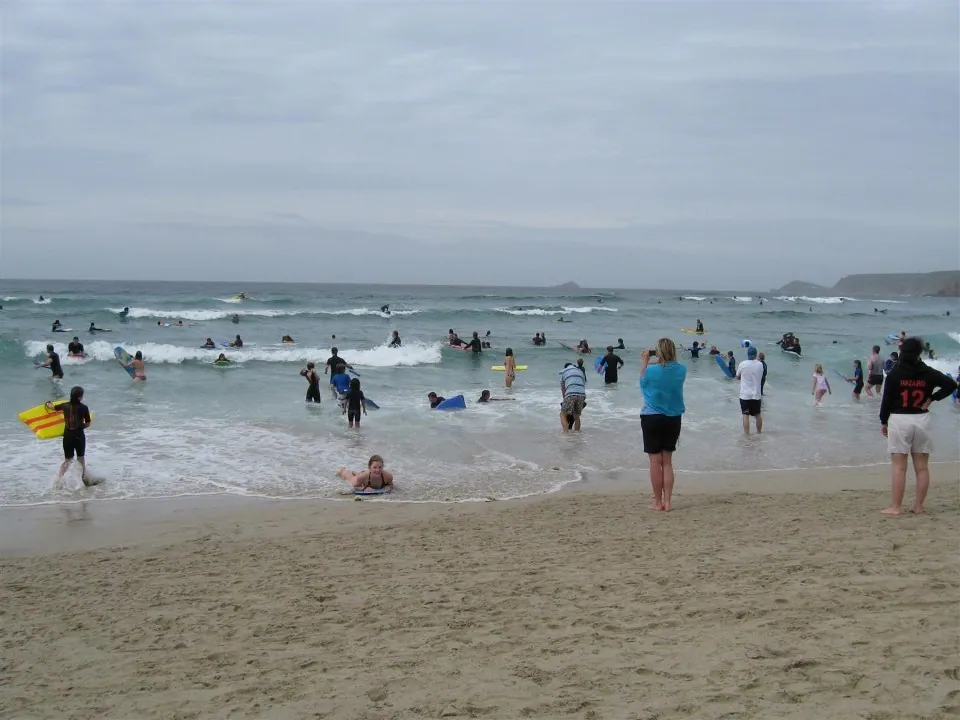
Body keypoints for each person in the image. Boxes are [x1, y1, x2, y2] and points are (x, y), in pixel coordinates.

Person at [879, 337, 958, 515]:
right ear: (919, 353)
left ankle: (896, 507)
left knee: (899, 467)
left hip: (899, 420)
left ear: (902, 351)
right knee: (922, 467)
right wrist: (933, 398)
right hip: (922, 419)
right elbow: (951, 384)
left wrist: (883, 421)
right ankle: (918, 506)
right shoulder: (928, 372)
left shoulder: (894, 374)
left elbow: (886, 401)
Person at [639, 338, 686, 512]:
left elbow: (642, 383)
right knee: (667, 462)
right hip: (673, 417)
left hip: (652, 416)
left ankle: (657, 502)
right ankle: (668, 502)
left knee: (654, 461)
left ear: (658, 352)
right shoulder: (682, 369)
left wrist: (645, 362)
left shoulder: (651, 371)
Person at [45, 386, 96, 486]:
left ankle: (58, 480)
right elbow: (88, 423)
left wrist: (48, 403)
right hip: (79, 436)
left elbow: (52, 407)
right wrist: (81, 427)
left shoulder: (64, 405)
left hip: (68, 436)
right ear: (80, 397)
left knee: (67, 460)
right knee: (80, 458)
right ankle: (83, 480)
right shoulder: (84, 408)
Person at [735, 346, 764, 435]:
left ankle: (747, 435)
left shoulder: (742, 364)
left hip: (745, 395)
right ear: (756, 355)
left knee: (745, 415)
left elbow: (737, 377)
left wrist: (743, 377)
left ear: (747, 354)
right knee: (757, 414)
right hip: (756, 395)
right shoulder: (760, 364)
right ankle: (759, 433)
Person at [559, 361, 587, 431]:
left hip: (571, 394)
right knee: (576, 416)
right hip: (582, 394)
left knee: (563, 414)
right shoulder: (580, 371)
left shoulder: (564, 372)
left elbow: (563, 388)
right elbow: (583, 384)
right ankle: (577, 433)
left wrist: (564, 398)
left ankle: (566, 433)